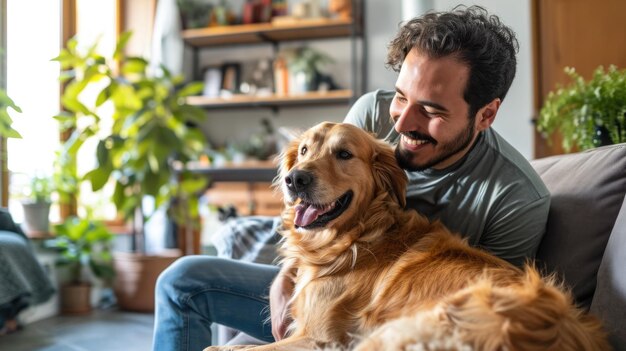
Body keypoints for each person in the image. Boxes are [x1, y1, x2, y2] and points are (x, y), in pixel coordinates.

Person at [152, 6, 550, 350]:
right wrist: (285, 278)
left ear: (486, 114)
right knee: (182, 280)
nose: (403, 123)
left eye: (431, 110)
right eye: (400, 97)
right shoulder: (370, 114)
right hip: (330, 272)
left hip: (395, 308)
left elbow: (482, 303)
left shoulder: (516, 198)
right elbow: (316, 200)